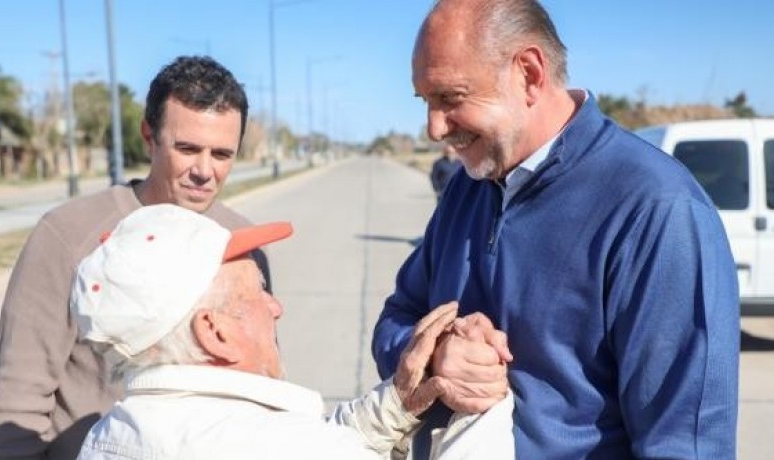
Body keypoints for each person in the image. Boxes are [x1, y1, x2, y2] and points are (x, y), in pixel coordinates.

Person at [371, 0, 740, 458]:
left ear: (528, 73)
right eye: (425, 101)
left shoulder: (657, 210)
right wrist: (435, 355)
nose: (433, 128)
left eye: (450, 98)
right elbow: (396, 318)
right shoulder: (467, 189)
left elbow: (686, 443)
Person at [0, 55, 270, 460]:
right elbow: (19, 403)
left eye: (222, 154)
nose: (205, 171)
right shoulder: (66, 235)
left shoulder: (243, 243)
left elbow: (260, 379)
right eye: (187, 149)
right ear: (148, 136)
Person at [69, 204, 516, 459]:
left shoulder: (110, 437)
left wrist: (396, 405)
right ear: (214, 332)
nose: (276, 307)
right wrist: (485, 403)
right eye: (259, 290)